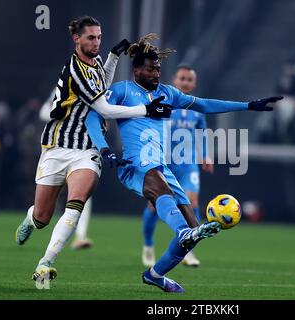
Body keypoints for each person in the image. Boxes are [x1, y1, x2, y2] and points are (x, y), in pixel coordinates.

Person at [84, 34, 283, 293]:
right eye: (150, 68)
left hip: (162, 166)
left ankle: (156, 274)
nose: (156, 73)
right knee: (170, 206)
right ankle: (163, 239)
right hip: (135, 164)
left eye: (158, 68)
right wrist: (105, 150)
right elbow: (92, 115)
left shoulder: (168, 93)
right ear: (136, 70)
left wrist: (248, 105)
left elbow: (203, 105)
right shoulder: (122, 90)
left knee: (195, 231)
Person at [14, 17, 172, 283]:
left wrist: (111, 58)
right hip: (57, 146)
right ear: (76, 39)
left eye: (99, 37)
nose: (96, 42)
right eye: (91, 38)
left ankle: (45, 263)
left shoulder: (95, 62)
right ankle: (31, 220)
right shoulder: (75, 71)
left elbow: (102, 87)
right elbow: (104, 108)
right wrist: (146, 109)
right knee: (43, 216)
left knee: (75, 205)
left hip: (87, 149)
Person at [141, 65, 213, 268]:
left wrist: (205, 154)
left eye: (189, 79)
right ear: (175, 80)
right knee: (154, 206)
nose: (186, 82)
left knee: (192, 203)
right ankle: (148, 246)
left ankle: (188, 250)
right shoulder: (164, 102)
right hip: (164, 163)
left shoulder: (196, 108)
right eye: (182, 78)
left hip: (188, 164)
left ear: (194, 83)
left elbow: (202, 132)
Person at [40, 88, 94, 250]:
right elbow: (43, 112)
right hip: (58, 152)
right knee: (45, 205)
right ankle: (32, 218)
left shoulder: (94, 88)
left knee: (83, 195)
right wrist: (65, 113)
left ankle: (81, 236)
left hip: (81, 152)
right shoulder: (62, 88)